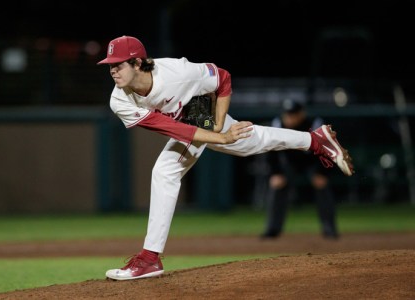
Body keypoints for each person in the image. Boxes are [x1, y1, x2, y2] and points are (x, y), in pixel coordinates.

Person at [96, 35, 354, 281]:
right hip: (190, 119)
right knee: (251, 142)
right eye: (110, 66)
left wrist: (218, 124)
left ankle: (150, 257)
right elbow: (171, 129)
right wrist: (221, 136)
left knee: (165, 171)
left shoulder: (177, 74)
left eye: (118, 65)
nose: (113, 71)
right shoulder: (119, 100)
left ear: (138, 62)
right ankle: (315, 140)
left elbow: (223, 78)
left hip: (199, 108)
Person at [260, 99, 339, 239]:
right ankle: (272, 229)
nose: (289, 118)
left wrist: (322, 172)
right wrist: (275, 173)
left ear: (301, 114)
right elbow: (269, 151)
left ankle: (329, 228)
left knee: (322, 184)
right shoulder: (277, 124)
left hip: (313, 162)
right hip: (289, 163)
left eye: (293, 114)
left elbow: (329, 150)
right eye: (287, 114)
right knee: (277, 185)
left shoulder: (315, 124)